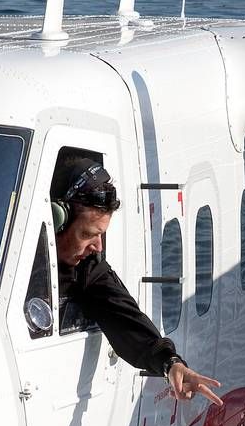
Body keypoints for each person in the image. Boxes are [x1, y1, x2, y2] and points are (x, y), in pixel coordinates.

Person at [50, 158, 222, 406]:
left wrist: (170, 362)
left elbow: (127, 319)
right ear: (57, 221)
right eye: (88, 234)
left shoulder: (87, 269)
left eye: (101, 235)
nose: (98, 247)